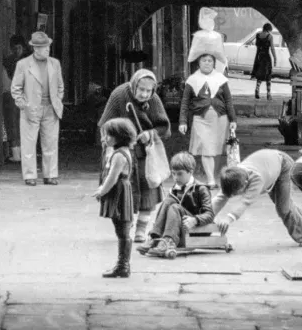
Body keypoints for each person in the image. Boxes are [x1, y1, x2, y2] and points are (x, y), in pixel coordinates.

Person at [97, 69, 172, 243]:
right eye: (141, 90)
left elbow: (165, 128)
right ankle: (127, 227)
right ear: (134, 85)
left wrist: (150, 134)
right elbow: (105, 124)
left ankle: (141, 229)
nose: (145, 94)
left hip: (145, 154)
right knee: (125, 193)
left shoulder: (154, 100)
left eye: (149, 91)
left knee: (148, 192)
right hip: (124, 154)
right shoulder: (119, 95)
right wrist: (110, 147)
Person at [212, 149, 302, 245]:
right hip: (270, 167)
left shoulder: (256, 180)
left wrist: (228, 219)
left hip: (284, 167)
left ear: (245, 184)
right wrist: (205, 214)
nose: (234, 196)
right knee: (285, 204)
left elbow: (245, 202)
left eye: (236, 193)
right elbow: (220, 198)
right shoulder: (233, 177)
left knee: (283, 208)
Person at [10, 31, 65, 186]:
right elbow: (15, 88)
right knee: (28, 143)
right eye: (44, 47)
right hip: (31, 108)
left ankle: (50, 174)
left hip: (50, 107)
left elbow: (60, 86)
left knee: (50, 142)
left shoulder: (55, 63)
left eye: (48, 46)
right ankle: (29, 175)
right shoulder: (23, 64)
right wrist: (23, 104)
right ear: (35, 48)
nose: (48, 49)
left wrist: (58, 100)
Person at [179, 50, 237, 189]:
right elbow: (185, 102)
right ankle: (211, 180)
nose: (207, 63)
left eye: (210, 61)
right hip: (200, 119)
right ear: (198, 63)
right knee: (206, 149)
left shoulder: (221, 79)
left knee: (216, 150)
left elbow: (228, 100)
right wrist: (182, 121)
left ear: (214, 63)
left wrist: (233, 119)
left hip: (220, 119)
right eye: (204, 60)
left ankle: (213, 175)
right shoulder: (192, 80)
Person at [140, 152, 215, 257]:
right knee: (168, 201)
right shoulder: (175, 188)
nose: (175, 178)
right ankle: (155, 237)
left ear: (190, 172)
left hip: (197, 229)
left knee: (175, 207)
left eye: (179, 174)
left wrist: (195, 220)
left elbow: (210, 215)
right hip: (179, 227)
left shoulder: (201, 189)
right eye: (173, 173)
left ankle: (169, 241)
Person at [92, 118, 139, 278]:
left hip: (119, 192)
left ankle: (123, 265)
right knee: (121, 228)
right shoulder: (120, 152)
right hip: (120, 191)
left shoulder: (119, 155)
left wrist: (102, 191)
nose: (105, 139)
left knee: (122, 229)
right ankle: (122, 265)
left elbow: (112, 177)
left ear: (120, 136)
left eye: (108, 136)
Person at [0, 34, 29, 163]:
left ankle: (21, 153)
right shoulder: (10, 61)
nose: (17, 51)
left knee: (19, 123)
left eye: (19, 48)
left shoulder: (27, 60)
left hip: (21, 94)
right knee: (12, 123)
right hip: (14, 94)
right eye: (14, 48)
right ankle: (17, 153)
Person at [251, 23, 278, 100]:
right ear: (269, 29)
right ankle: (268, 94)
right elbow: (272, 48)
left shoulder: (257, 35)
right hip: (266, 57)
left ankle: (257, 89)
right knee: (268, 75)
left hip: (259, 56)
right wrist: (275, 58)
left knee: (260, 74)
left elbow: (257, 45)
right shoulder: (270, 37)